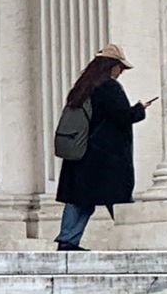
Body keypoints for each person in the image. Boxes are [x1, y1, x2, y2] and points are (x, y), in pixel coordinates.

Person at [56, 44, 154, 251]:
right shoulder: (109, 87)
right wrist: (139, 109)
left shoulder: (83, 87)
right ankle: (134, 240)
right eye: (121, 68)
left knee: (78, 200)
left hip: (81, 154)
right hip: (105, 158)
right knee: (117, 199)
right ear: (112, 66)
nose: (121, 72)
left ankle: (67, 240)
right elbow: (122, 116)